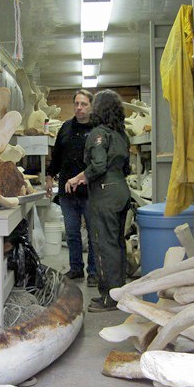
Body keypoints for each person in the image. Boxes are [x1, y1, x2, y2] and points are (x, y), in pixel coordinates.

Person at [66, 89, 131, 312]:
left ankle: (109, 298)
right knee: (118, 244)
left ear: (99, 108)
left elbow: (99, 165)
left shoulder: (98, 134)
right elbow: (126, 167)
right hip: (121, 191)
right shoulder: (122, 135)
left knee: (104, 246)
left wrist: (78, 177)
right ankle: (119, 293)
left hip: (105, 193)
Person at [46, 89, 98, 287]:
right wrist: (50, 175)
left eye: (84, 104)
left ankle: (93, 271)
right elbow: (57, 155)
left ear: (91, 106)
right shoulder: (66, 128)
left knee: (94, 233)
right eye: (77, 103)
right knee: (72, 232)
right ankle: (76, 268)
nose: (79, 107)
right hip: (67, 191)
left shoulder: (97, 130)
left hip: (91, 190)